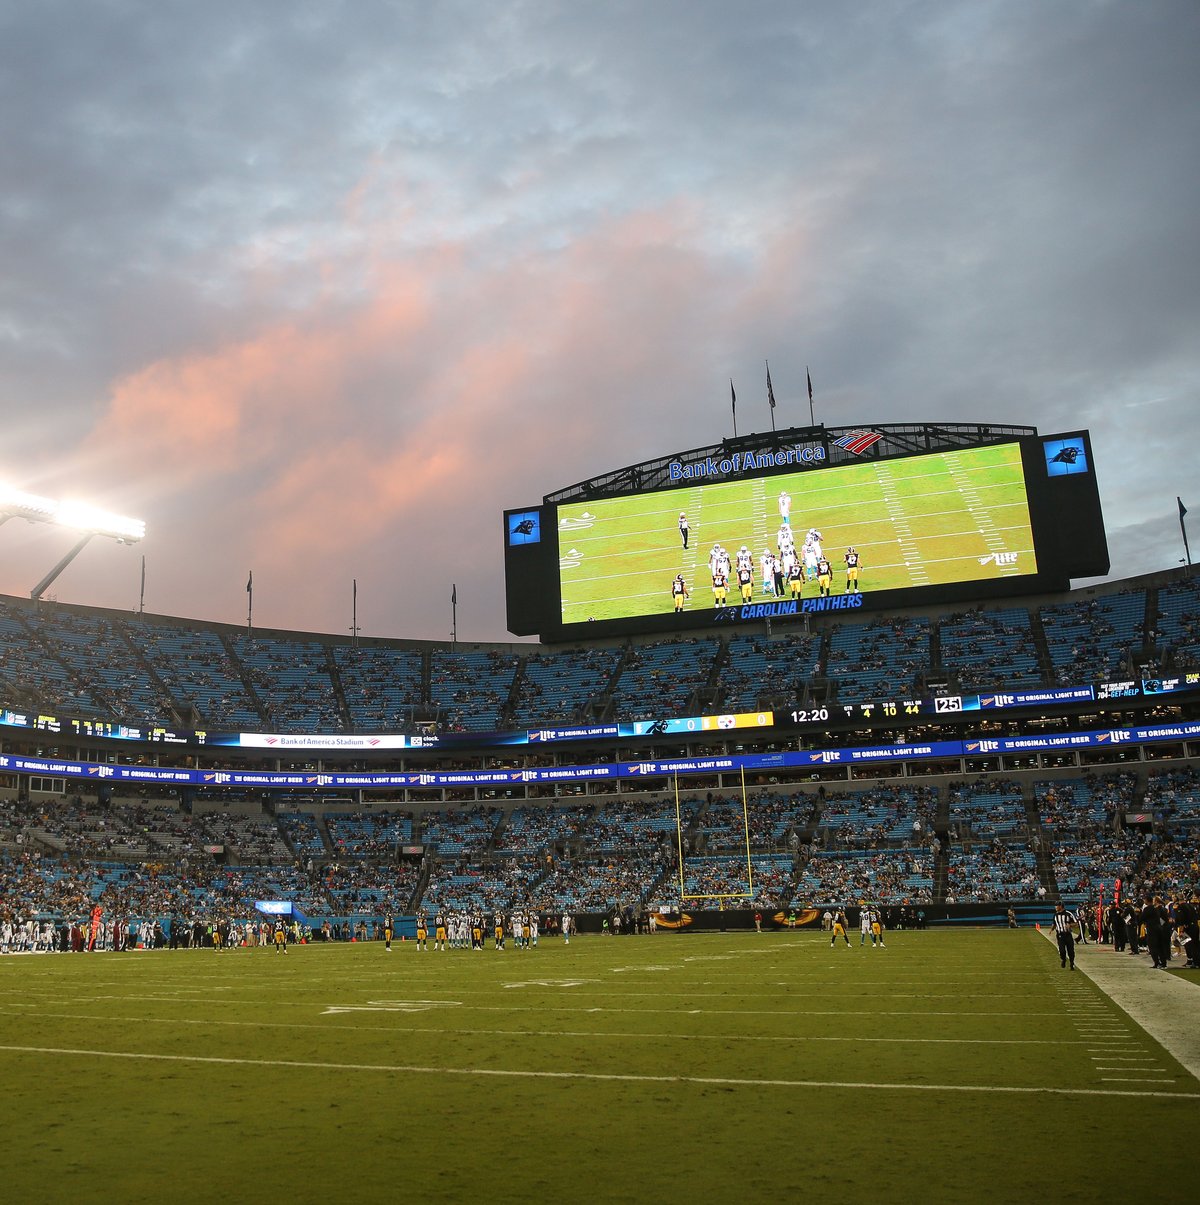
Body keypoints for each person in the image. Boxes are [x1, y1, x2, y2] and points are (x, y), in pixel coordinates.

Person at [1052, 901, 1077, 970]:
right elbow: (1054, 923)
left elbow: (1076, 923)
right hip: (1060, 935)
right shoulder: (1055, 915)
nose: (1055, 907)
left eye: (1056, 905)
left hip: (1068, 935)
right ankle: (1063, 959)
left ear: (1060, 906)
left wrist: (1070, 925)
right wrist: (1051, 929)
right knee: (1062, 950)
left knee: (1071, 951)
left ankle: (1072, 963)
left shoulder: (1068, 914)